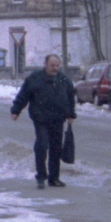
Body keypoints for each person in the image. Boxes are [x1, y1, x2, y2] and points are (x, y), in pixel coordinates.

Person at [11, 52, 77, 187]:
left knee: (56, 148)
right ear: (45, 64)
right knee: (42, 145)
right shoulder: (35, 78)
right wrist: (16, 110)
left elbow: (70, 97)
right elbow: (23, 95)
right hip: (40, 118)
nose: (55, 68)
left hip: (58, 119)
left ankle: (54, 178)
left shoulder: (64, 80)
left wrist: (71, 114)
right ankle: (41, 176)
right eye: (52, 65)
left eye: (57, 65)